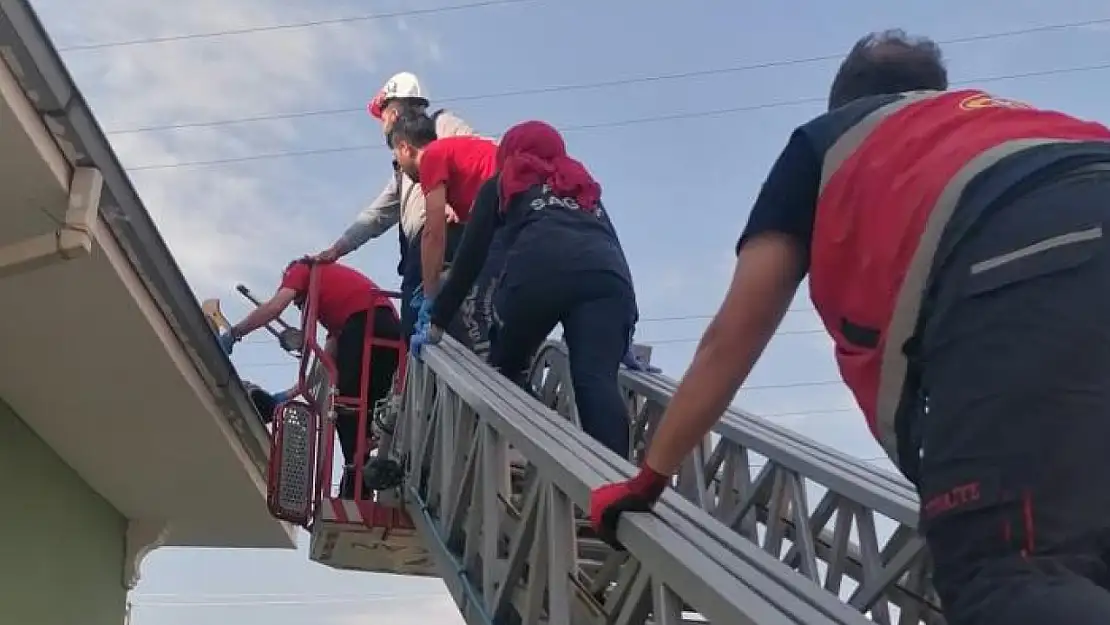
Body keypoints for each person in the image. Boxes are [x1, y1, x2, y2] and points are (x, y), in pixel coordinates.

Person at [589, 29, 1110, 625]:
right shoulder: (1027, 123)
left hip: (1024, 271)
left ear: (843, 102)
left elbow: (735, 333)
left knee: (1012, 574)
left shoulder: (828, 142)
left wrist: (648, 478)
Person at [412, 121, 639, 458]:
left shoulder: (501, 183)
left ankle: (519, 454)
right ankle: (616, 486)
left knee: (506, 369)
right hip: (609, 282)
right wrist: (623, 335)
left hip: (538, 274)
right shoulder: (581, 185)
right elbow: (612, 248)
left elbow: (470, 259)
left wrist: (437, 319)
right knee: (596, 380)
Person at [310, 72, 478, 341]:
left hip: (449, 235)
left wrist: (462, 203)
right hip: (419, 252)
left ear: (397, 108)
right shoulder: (403, 170)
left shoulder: (442, 124)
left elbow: (475, 150)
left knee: (452, 325)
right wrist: (338, 248)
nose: (383, 121)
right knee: (414, 331)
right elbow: (375, 216)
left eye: (384, 112)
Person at [219, 260, 402, 498]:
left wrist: (234, 334)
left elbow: (275, 307)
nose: (298, 306)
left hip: (366, 325)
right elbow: (324, 362)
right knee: (365, 413)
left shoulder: (303, 269)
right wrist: (288, 394)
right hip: (389, 334)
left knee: (345, 406)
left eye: (297, 302)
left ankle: (357, 483)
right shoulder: (339, 308)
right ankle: (359, 481)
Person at [388, 111, 501, 350]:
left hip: (509, 224)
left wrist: (429, 298)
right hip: (533, 221)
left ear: (405, 147)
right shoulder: (461, 154)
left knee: (474, 311)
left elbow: (433, 234)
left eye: (397, 158)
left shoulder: (432, 156)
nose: (401, 169)